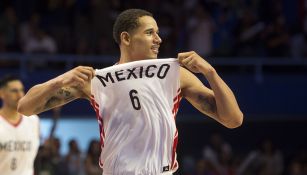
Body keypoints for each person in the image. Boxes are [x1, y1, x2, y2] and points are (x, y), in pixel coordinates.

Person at [17, 9, 243, 175]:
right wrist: (59, 80)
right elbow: (25, 107)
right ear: (126, 38)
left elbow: (233, 120)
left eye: (157, 32)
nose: (159, 39)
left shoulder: (175, 73)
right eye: (149, 32)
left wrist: (210, 72)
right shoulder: (96, 79)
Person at [0, 75, 40, 175]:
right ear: (2, 93)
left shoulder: (33, 120)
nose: (20, 95)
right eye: (14, 91)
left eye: (21, 90)